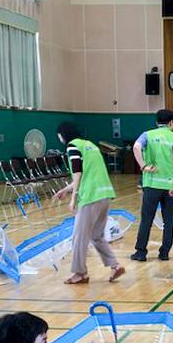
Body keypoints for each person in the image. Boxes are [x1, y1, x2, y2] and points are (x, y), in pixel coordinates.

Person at [53, 122, 125, 285]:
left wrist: (74, 198)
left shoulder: (72, 147)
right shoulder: (90, 145)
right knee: (96, 235)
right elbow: (88, 173)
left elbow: (78, 172)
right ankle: (115, 265)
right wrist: (67, 189)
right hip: (105, 195)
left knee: (79, 237)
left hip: (90, 197)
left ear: (63, 135)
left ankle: (80, 273)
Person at [132, 109, 173, 262]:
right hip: (171, 187)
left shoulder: (148, 135)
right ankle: (164, 253)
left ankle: (141, 252)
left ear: (156, 122)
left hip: (152, 185)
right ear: (171, 123)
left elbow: (136, 147)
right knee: (169, 221)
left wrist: (143, 166)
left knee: (146, 219)